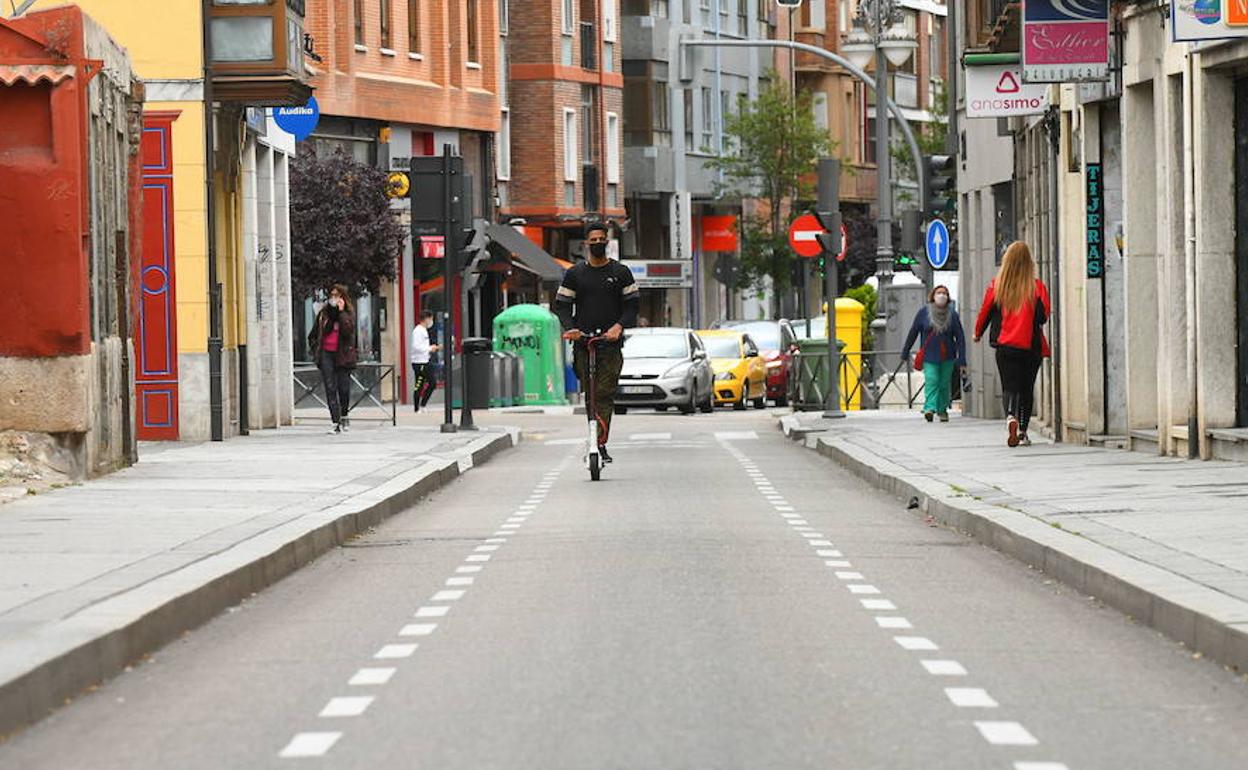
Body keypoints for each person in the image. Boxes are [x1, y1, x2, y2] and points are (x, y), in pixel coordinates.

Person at [554, 222, 639, 464]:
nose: (598, 244)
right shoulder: (575, 274)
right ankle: (595, 438)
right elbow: (562, 305)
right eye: (593, 241)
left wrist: (618, 327)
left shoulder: (621, 272)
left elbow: (632, 306)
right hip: (584, 344)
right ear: (586, 244)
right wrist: (571, 329)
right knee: (590, 395)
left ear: (607, 242)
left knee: (603, 394)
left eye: (602, 240)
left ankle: (599, 442)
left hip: (610, 346)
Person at [973, 241, 1051, 448]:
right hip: (1031, 346)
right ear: (1029, 263)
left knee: (1009, 386)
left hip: (1005, 345)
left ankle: (1010, 416)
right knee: (1026, 389)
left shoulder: (997, 286)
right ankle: (1023, 432)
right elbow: (1043, 316)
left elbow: (985, 312)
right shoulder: (1037, 287)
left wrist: (977, 333)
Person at [901, 284, 966, 423]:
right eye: (939, 293)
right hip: (929, 355)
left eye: (945, 293)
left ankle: (942, 409)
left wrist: (962, 359)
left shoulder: (953, 315)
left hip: (948, 355)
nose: (942, 296)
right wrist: (905, 351)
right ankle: (929, 408)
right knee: (932, 380)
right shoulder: (923, 313)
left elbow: (960, 337)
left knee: (944, 383)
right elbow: (913, 332)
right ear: (933, 296)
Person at [307, 284, 359, 434]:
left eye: (337, 295)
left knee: (343, 389)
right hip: (326, 354)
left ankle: (344, 415)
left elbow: (348, 331)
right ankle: (335, 422)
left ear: (343, 297)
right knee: (330, 388)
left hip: (343, 355)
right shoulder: (324, 313)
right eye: (332, 295)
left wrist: (341, 312)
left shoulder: (348, 313)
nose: (334, 298)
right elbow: (314, 334)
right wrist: (316, 350)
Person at [410, 309, 440, 412]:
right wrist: (429, 348)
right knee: (423, 383)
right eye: (431, 319)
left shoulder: (423, 330)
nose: (431, 321)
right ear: (426, 319)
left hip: (424, 361)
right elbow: (416, 346)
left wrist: (430, 348)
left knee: (423, 383)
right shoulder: (418, 331)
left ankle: (421, 406)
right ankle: (418, 407)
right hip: (420, 363)